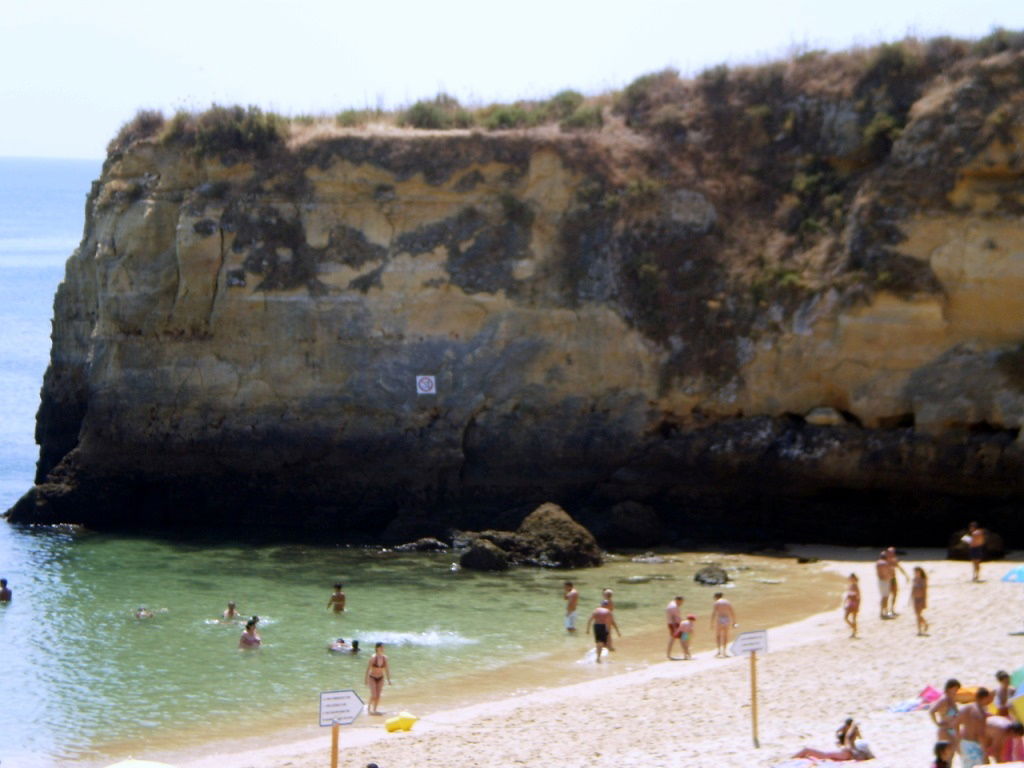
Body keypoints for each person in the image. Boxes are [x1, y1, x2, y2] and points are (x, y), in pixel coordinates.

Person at [791, 719, 874, 761]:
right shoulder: (857, 747)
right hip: (846, 752)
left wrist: (852, 727)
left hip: (844, 753)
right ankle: (792, 758)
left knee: (807, 750)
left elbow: (847, 738)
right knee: (809, 752)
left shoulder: (849, 744)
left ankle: (790, 760)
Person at [954, 686, 993, 768]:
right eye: (989, 698)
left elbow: (956, 724)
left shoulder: (966, 708)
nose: (990, 700)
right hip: (975, 745)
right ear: (984, 698)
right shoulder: (980, 714)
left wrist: (958, 741)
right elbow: (980, 734)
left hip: (964, 743)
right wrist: (985, 754)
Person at [929, 679, 961, 749]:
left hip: (954, 731)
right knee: (947, 756)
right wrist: (937, 723)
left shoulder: (952, 699)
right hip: (945, 731)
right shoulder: (943, 700)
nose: (956, 692)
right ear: (949, 688)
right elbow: (932, 711)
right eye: (955, 689)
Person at [365, 642, 391, 715]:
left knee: (378, 695)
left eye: (383, 647)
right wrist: (366, 679)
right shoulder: (373, 658)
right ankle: (368, 707)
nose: (383, 648)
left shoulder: (385, 658)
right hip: (372, 677)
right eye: (381, 647)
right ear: (377, 648)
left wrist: (389, 679)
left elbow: (387, 669)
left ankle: (375, 710)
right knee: (374, 695)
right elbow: (368, 669)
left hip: (381, 677)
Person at [884, 547, 908, 617]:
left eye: (893, 553)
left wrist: (906, 575)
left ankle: (892, 609)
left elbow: (899, 568)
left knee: (895, 594)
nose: (892, 554)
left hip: (893, 579)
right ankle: (886, 610)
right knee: (887, 595)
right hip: (887, 579)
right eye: (890, 552)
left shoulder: (894, 560)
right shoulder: (884, 560)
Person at [710, 592, 736, 657]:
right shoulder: (727, 602)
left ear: (716, 596)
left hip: (720, 619)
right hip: (727, 619)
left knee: (718, 635)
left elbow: (714, 613)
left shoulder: (717, 603)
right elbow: (732, 612)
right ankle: (724, 651)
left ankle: (719, 651)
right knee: (725, 635)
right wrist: (734, 622)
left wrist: (711, 623)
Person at [875, 551, 893, 619]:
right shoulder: (885, 563)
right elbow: (887, 572)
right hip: (885, 581)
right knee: (885, 597)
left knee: (883, 596)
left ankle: (882, 612)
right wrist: (890, 577)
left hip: (880, 581)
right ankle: (884, 612)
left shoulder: (877, 563)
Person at [912, 567, 929, 635]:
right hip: (915, 598)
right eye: (915, 572)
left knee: (918, 615)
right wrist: (911, 597)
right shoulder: (914, 579)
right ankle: (925, 624)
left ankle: (920, 630)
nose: (916, 573)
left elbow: (925, 590)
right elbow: (913, 589)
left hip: (921, 598)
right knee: (917, 615)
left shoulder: (923, 580)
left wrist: (924, 600)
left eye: (917, 572)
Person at [842, 573, 860, 638]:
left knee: (853, 618)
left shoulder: (855, 586)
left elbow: (858, 596)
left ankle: (854, 632)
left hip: (854, 603)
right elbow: (848, 595)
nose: (850, 579)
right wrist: (845, 602)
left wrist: (858, 605)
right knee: (846, 618)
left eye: (851, 578)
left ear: (854, 579)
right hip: (850, 603)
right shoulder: (850, 586)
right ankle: (854, 628)